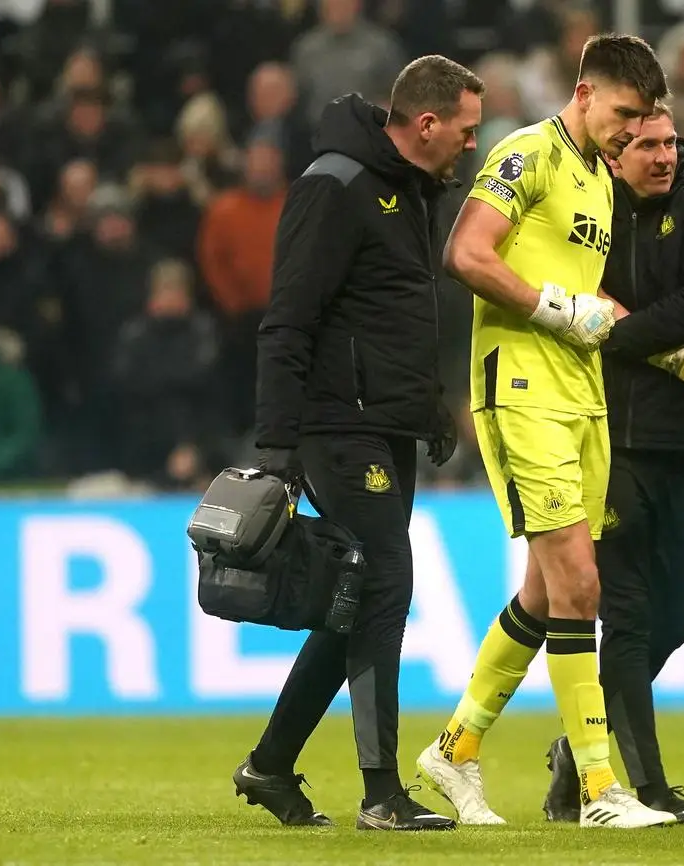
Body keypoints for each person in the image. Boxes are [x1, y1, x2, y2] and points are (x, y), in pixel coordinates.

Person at [413, 34, 680, 829]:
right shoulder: (526, 153)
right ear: (587, 92)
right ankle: (601, 789)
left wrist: (677, 352)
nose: (633, 134)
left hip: (581, 393)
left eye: (644, 121)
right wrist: (547, 308)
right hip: (521, 388)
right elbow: (464, 253)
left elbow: (586, 300)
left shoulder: (601, 178)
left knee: (545, 590)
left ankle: (454, 749)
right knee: (579, 586)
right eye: (626, 115)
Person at [234, 55, 484, 832]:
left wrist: (429, 410)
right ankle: (381, 793)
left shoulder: (409, 190)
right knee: (385, 585)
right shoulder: (334, 185)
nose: (472, 147)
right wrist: (276, 444)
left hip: (385, 425)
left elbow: (388, 317)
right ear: (428, 123)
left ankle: (270, 765)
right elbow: (289, 320)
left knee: (350, 604)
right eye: (467, 130)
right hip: (335, 427)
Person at [540, 106, 684, 825]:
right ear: (616, 153)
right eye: (645, 145)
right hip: (607, 440)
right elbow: (555, 296)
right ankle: (647, 785)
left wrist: (611, 330)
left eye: (669, 143)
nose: (662, 157)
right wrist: (651, 344)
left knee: (673, 622)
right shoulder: (585, 207)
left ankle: (575, 747)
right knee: (624, 619)